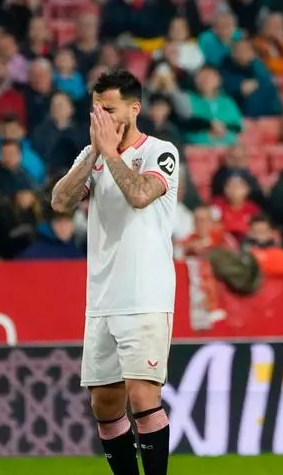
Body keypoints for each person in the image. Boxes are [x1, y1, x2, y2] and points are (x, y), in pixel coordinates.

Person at [50, 69, 180, 475]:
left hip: (145, 295)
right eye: (96, 109)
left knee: (142, 397)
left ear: (134, 108)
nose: (100, 117)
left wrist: (110, 154)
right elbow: (60, 202)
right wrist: (94, 154)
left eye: (108, 109)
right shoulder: (92, 155)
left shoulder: (161, 151)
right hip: (102, 298)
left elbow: (140, 195)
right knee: (104, 405)